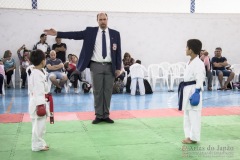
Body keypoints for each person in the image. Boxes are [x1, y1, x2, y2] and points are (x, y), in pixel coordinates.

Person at [44, 12, 122, 124]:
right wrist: (58, 33)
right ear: (97, 21)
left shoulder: (115, 34)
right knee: (97, 91)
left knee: (108, 91)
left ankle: (106, 114)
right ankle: (99, 115)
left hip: (110, 66)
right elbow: (75, 35)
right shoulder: (90, 32)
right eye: (100, 19)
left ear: (107, 20)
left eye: (104, 19)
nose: (103, 21)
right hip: (96, 65)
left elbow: (118, 52)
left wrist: (118, 67)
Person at [178, 39, 205, 144]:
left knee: (194, 114)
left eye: (187, 47)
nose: (185, 49)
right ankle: (188, 136)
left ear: (191, 49)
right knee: (187, 114)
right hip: (187, 89)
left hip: (194, 90)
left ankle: (194, 137)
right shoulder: (189, 62)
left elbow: (200, 78)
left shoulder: (198, 63)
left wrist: (197, 92)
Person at [28, 49, 49, 151]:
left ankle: (40, 143)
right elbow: (38, 91)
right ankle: (36, 146)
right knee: (38, 127)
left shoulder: (39, 71)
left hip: (39, 101)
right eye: (45, 59)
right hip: (38, 103)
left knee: (40, 126)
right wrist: (40, 106)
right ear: (42, 61)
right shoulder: (36, 74)